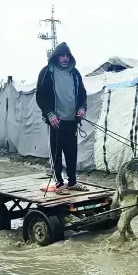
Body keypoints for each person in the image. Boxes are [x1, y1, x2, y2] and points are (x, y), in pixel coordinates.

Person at [35, 42, 89, 195]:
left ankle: (72, 182)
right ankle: (59, 183)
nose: (65, 59)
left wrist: (82, 108)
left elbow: (82, 95)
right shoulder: (47, 72)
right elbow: (40, 96)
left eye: (67, 56)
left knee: (72, 152)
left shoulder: (75, 73)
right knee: (56, 152)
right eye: (62, 56)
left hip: (72, 120)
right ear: (56, 57)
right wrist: (49, 114)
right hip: (56, 121)